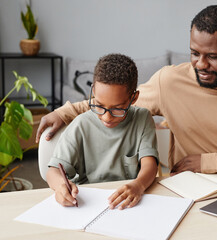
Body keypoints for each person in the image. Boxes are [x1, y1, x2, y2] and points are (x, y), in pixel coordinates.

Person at [37, 5, 217, 177]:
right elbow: (118, 102)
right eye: (195, 53)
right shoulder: (170, 81)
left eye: (213, 56)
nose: (201, 64)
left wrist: (209, 162)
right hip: (187, 185)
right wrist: (66, 111)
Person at [46, 54, 158, 209]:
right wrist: (60, 186)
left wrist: (138, 185)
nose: (107, 117)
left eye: (117, 109)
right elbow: (52, 172)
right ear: (93, 92)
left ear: (134, 98)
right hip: (86, 203)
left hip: (128, 202)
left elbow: (150, 165)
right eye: (99, 105)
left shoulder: (142, 118)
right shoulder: (80, 125)